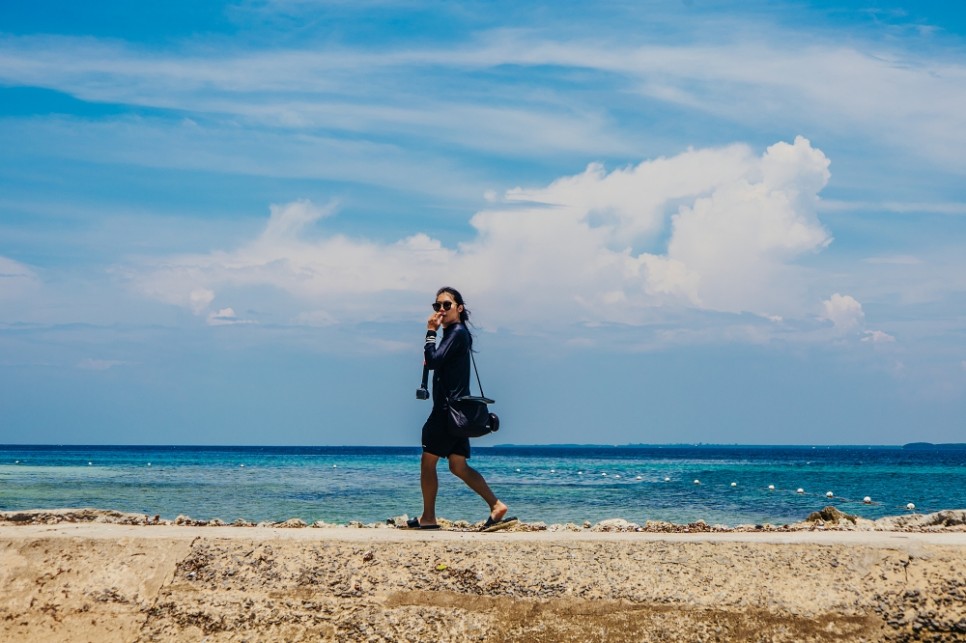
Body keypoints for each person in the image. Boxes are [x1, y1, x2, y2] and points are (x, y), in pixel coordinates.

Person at [407, 286, 513, 530]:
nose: (441, 310)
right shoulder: (457, 334)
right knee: (458, 465)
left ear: (459, 308)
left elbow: (433, 360)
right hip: (457, 412)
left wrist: (430, 333)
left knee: (428, 462)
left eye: (446, 305)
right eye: (437, 306)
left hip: (447, 411)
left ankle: (429, 518)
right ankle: (496, 506)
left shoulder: (456, 333)